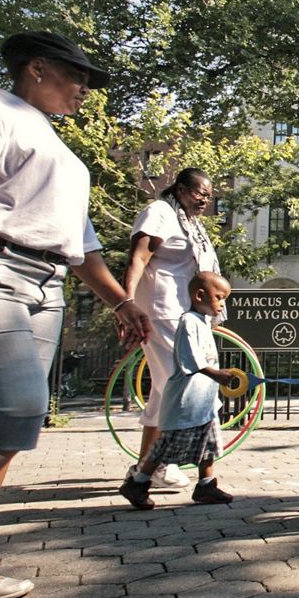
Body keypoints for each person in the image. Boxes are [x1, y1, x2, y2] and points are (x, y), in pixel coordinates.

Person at [0, 31, 150, 598]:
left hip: (45, 285)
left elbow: (80, 246)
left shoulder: (59, 148)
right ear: (34, 68)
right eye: (74, 77)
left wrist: (120, 303)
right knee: (12, 412)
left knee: (8, 433)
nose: (83, 90)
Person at [122, 167, 222, 489]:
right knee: (187, 389)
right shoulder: (160, 212)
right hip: (164, 312)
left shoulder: (192, 224)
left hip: (188, 315)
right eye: (199, 193)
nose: (204, 200)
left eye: (208, 196)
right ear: (179, 188)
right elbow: (137, 258)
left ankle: (144, 468)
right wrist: (126, 304)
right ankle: (166, 466)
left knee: (164, 393)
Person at [119, 272, 236, 510]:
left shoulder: (203, 321)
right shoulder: (188, 321)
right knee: (167, 444)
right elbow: (188, 359)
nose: (222, 303)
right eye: (219, 297)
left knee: (208, 443)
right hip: (186, 398)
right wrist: (217, 374)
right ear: (199, 295)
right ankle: (138, 482)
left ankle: (206, 484)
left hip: (204, 398)